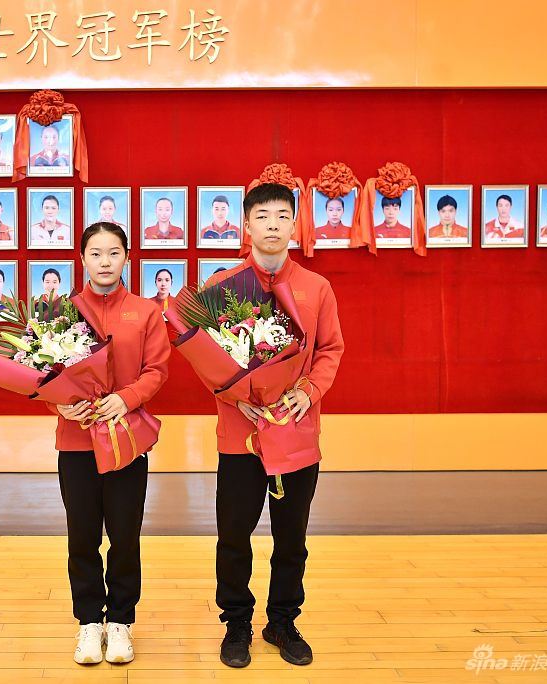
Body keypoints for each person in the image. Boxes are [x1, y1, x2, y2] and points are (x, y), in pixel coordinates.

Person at [201, 183, 344, 670]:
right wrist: (236, 396)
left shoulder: (316, 287)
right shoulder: (223, 286)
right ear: (246, 225)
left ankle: (282, 620)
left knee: (291, 537)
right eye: (263, 216)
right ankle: (236, 622)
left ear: (295, 225)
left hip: (295, 429)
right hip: (240, 434)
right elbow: (207, 358)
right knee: (233, 536)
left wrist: (308, 391)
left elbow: (330, 349)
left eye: (283, 216)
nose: (273, 225)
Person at [48, 221, 170, 665]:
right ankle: (88, 622)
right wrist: (59, 406)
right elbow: (42, 373)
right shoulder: (61, 311)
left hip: (125, 441)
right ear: (82, 258)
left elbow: (157, 370)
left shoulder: (146, 312)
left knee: (124, 535)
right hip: (77, 441)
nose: (105, 261)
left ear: (127, 258)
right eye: (96, 253)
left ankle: (120, 621)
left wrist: (127, 397)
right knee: (81, 537)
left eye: (114, 253)